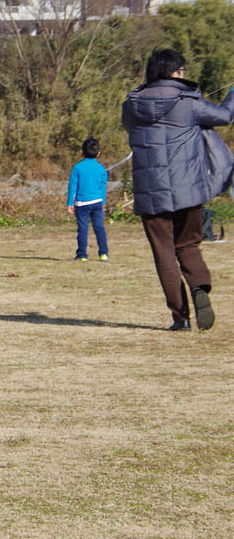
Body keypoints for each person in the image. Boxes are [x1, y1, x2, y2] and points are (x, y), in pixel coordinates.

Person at [122, 48, 234, 330]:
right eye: (182, 71)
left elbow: (129, 128)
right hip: (189, 190)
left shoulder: (131, 105)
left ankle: (180, 317)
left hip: (150, 193)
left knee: (163, 253)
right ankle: (198, 287)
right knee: (188, 244)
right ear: (174, 72)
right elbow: (224, 116)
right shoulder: (188, 102)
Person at [67, 136, 109, 263]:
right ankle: (103, 253)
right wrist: (103, 202)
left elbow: (72, 186)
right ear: (98, 153)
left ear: (82, 152)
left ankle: (82, 254)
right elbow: (103, 188)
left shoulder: (77, 168)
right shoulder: (101, 169)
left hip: (82, 204)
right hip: (97, 202)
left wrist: (70, 203)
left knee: (83, 229)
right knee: (99, 228)